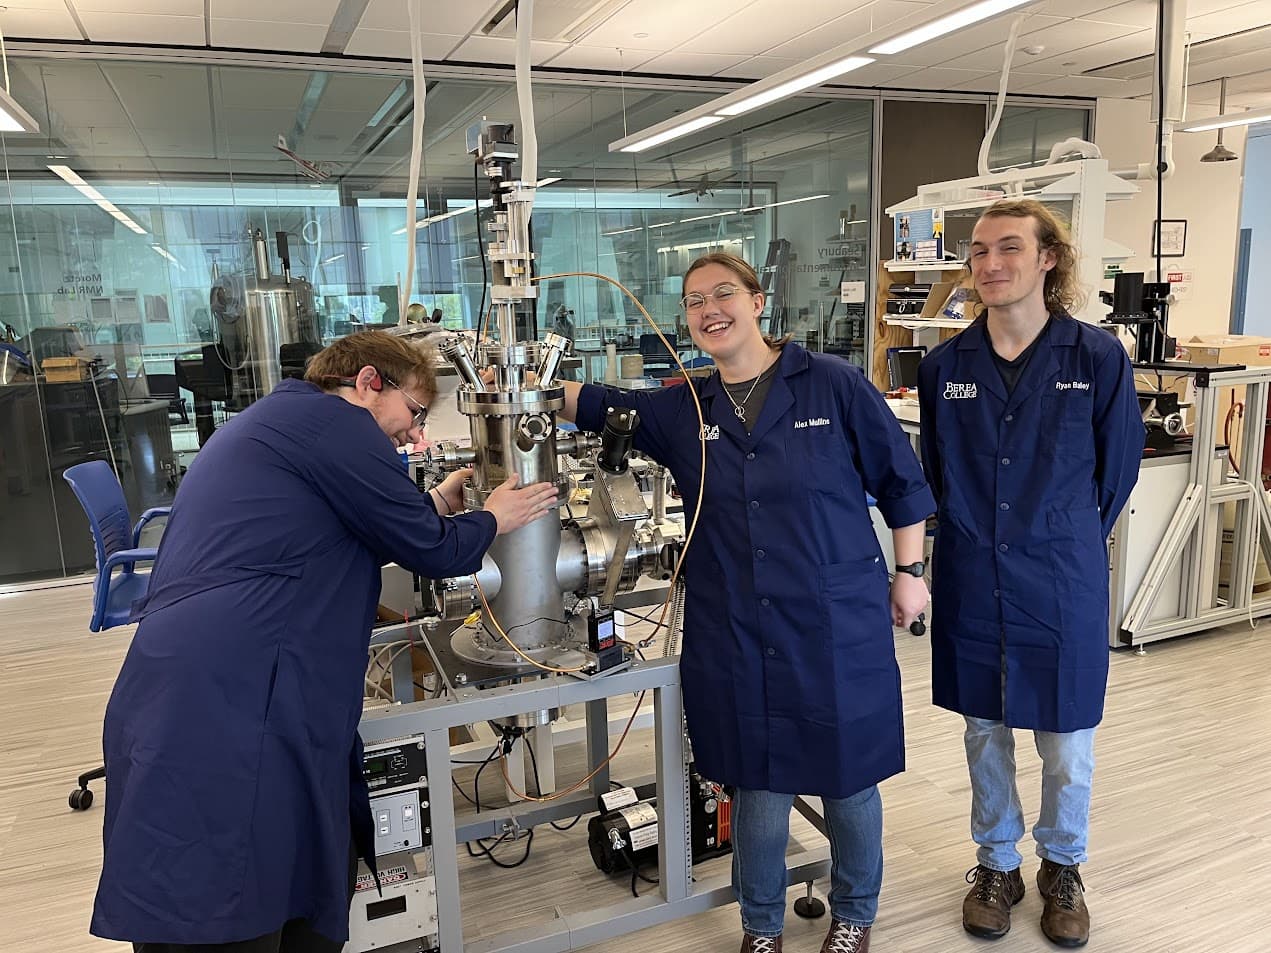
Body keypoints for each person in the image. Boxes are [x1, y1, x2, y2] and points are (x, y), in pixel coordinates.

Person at [90, 330, 558, 953]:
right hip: (235, 685)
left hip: (208, 672)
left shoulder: (288, 419)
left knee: (276, 861)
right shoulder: (338, 429)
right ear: (367, 383)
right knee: (230, 885)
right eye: (415, 415)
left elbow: (344, 520)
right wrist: (493, 517)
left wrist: (435, 505)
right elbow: (433, 551)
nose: (416, 436)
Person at [557, 252, 935, 953]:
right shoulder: (682, 406)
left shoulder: (831, 384)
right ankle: (760, 925)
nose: (709, 310)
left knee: (847, 778)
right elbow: (596, 403)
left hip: (831, 617)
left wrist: (909, 570)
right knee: (755, 782)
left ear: (758, 301)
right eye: (695, 301)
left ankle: (854, 912)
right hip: (733, 621)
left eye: (722, 293)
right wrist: (526, 383)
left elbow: (902, 482)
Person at [916, 200, 1143, 948]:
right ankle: (994, 863)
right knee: (983, 729)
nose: (988, 264)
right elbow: (935, 475)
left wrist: (1059, 537)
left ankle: (1062, 864)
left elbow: (1115, 473)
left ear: (1048, 259)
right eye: (977, 252)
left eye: (1007, 248)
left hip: (1060, 577)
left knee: (1065, 739)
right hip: (973, 575)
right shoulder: (944, 368)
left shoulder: (1095, 358)